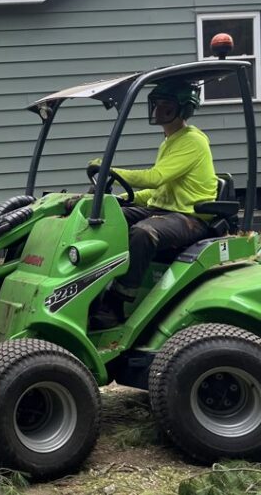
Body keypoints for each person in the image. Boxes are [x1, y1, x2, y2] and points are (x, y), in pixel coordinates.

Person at [88, 78, 217, 330]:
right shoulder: (169, 142)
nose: (158, 111)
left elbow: (155, 177)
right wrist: (123, 199)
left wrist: (108, 170)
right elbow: (159, 189)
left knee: (143, 233)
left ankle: (117, 304)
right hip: (163, 210)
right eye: (156, 105)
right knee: (108, 216)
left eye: (165, 106)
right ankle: (93, 287)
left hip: (192, 217)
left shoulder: (192, 140)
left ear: (183, 109)